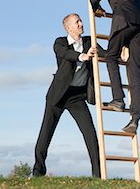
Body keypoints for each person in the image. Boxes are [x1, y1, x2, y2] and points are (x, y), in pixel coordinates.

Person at [33, 13, 104, 178]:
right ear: (68, 27)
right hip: (57, 96)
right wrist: (82, 56)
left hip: (77, 97)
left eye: (80, 21)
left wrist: (120, 55)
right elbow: (65, 54)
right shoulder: (60, 42)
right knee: (46, 133)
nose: (80, 24)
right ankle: (38, 171)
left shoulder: (88, 42)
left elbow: (105, 54)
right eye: (77, 22)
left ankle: (98, 174)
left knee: (90, 134)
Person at [90, 0, 140, 134]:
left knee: (110, 57)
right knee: (136, 71)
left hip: (123, 21)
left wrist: (98, 9)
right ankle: (135, 119)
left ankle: (118, 98)